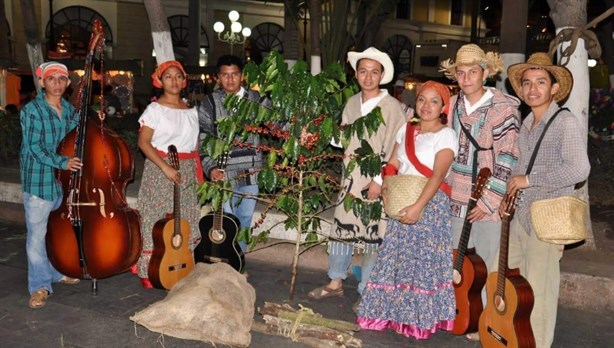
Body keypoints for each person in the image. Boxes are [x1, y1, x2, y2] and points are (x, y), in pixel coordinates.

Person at [500, 53, 590, 348]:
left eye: (541, 82)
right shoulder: (526, 124)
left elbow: (579, 169)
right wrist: (508, 194)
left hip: (547, 219)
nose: (532, 89)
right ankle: (515, 337)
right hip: (520, 216)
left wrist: (530, 179)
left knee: (540, 292)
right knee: (515, 285)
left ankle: (536, 344)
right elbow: (519, 169)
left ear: (554, 89)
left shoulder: (565, 123)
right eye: (527, 83)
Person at [356, 81, 458, 339]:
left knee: (422, 264)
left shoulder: (446, 135)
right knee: (398, 260)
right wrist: (382, 184)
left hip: (429, 205)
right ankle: (393, 315)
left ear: (443, 107)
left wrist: (418, 207)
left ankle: (418, 320)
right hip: (402, 199)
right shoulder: (406, 129)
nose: (426, 106)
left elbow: (437, 176)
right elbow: (392, 163)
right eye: (422, 99)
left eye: (434, 101)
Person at [308, 47, 406, 303]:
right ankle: (335, 279)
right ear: (356, 74)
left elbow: (397, 144)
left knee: (374, 233)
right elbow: (343, 139)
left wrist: (379, 179)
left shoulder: (391, 107)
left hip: (377, 178)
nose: (368, 77)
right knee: (342, 228)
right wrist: (316, 130)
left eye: (374, 72)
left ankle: (368, 290)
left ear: (382, 75)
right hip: (350, 178)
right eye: (363, 71)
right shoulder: (352, 103)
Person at [439, 44, 521, 339]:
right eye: (460, 72)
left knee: (486, 261)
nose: (466, 78)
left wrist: (489, 201)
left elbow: (508, 156)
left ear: (485, 73)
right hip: (457, 194)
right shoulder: (454, 105)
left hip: (487, 196)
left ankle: (486, 318)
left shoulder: (503, 109)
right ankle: (461, 312)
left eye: (472, 71)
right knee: (458, 259)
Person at [19, 61, 82, 309]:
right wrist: (62, 162)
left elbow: (75, 139)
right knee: (37, 237)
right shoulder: (32, 110)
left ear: (67, 84)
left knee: (55, 233)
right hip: (39, 182)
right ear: (43, 82)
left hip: (62, 183)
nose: (56, 83)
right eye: (51, 78)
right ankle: (39, 286)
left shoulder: (68, 109)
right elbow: (34, 148)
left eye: (61, 79)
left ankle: (56, 273)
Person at [135, 60, 203, 288]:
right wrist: (165, 168)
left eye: (178, 76)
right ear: (159, 81)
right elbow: (143, 143)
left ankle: (182, 265)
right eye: (168, 77)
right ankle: (151, 270)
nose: (174, 81)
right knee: (157, 219)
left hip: (187, 170)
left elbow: (194, 145)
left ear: (184, 81)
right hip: (160, 168)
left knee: (186, 217)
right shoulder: (155, 109)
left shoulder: (192, 110)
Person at [198, 55, 270, 251]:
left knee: (245, 218)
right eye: (225, 75)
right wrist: (210, 168)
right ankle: (226, 260)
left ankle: (239, 260)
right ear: (218, 78)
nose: (230, 80)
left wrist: (301, 131)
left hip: (250, 171)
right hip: (223, 171)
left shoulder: (256, 100)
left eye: (234, 74)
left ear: (242, 76)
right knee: (226, 220)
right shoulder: (210, 103)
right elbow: (203, 137)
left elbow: (277, 122)